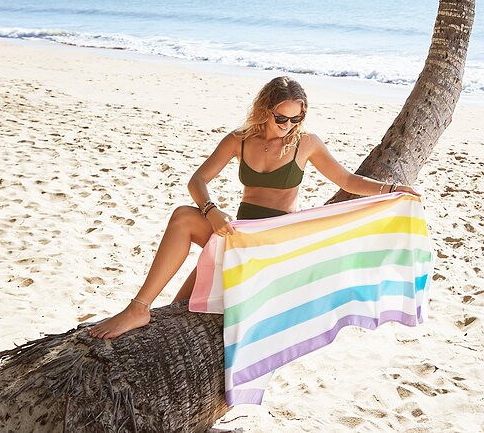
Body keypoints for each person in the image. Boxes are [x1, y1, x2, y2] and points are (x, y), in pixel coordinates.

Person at [88, 76, 419, 339]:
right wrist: (210, 210)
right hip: (240, 234)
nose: (288, 124)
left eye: (296, 117)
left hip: (276, 242)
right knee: (179, 297)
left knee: (187, 250)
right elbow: (197, 181)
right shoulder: (239, 140)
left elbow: (347, 180)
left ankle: (137, 308)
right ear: (265, 109)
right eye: (281, 117)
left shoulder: (306, 143)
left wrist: (391, 189)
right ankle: (141, 309)